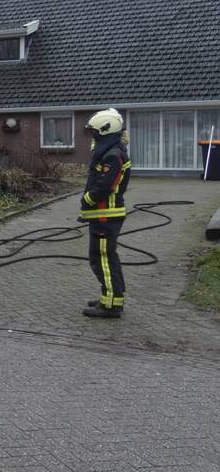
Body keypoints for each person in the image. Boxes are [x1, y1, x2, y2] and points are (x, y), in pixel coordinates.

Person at [80, 108, 131, 318]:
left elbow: (104, 186)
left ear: (104, 131)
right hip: (104, 216)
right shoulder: (112, 152)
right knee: (106, 258)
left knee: (102, 259)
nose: (93, 136)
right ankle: (110, 297)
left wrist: (87, 200)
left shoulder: (112, 156)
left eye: (95, 132)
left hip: (105, 215)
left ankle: (110, 305)